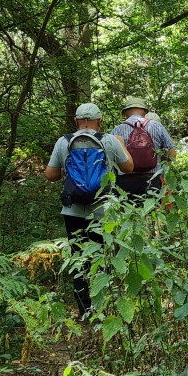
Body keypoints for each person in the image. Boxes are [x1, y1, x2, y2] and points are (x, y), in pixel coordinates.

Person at [45, 103, 133, 317]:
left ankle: (85, 310)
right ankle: (106, 306)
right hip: (104, 211)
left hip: (72, 211)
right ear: (100, 121)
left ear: (76, 121)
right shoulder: (109, 140)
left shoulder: (63, 142)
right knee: (105, 256)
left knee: (78, 259)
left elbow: (50, 174)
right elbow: (128, 168)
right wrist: (121, 145)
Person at [111, 96, 176, 199]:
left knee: (128, 213)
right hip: (153, 180)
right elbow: (172, 152)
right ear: (145, 111)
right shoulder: (157, 126)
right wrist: (163, 170)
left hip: (125, 182)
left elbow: (110, 159)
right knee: (153, 213)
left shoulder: (117, 130)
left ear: (125, 113)